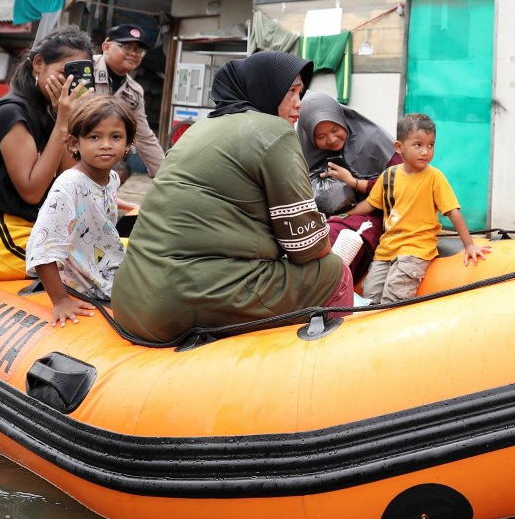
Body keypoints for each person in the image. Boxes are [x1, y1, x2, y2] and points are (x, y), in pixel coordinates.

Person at [112, 51, 352, 343]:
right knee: (334, 272)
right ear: (266, 90)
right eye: (290, 91)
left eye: (300, 92)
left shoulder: (200, 128)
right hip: (181, 302)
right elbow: (308, 248)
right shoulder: (273, 130)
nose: (299, 103)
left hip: (132, 301)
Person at [0, 28, 92, 282]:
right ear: (38, 64)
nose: (70, 84)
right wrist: (63, 121)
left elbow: (68, 177)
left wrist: (67, 118)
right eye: (63, 74)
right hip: (2, 241)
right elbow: (31, 191)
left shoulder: (49, 114)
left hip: (36, 231)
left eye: (76, 77)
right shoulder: (11, 114)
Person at [345, 112, 490, 304]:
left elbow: (453, 211)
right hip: (386, 250)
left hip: (415, 249)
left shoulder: (434, 177)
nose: (426, 151)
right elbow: (371, 204)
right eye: (418, 145)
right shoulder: (389, 176)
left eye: (431, 145)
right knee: (369, 297)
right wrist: (344, 214)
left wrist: (469, 245)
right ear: (399, 147)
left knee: (393, 298)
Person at [26, 95, 138, 326]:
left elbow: (100, 203)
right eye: (94, 137)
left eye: (116, 137)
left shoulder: (113, 178)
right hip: (85, 282)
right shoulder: (69, 184)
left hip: (108, 267)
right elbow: (43, 247)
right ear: (74, 143)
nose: (106, 144)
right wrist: (60, 301)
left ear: (128, 144)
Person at [296, 90, 401, 281]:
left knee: (338, 235)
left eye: (335, 129)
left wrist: (354, 183)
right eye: (320, 136)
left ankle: (332, 289)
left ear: (342, 119)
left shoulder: (372, 140)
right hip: (330, 218)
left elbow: (401, 183)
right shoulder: (305, 152)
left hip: (381, 215)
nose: (331, 139)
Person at [92, 24, 165, 177]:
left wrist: (166, 178)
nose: (133, 54)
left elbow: (144, 137)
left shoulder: (134, 91)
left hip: (100, 158)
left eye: (139, 50)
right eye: (126, 46)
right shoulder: (85, 69)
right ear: (106, 47)